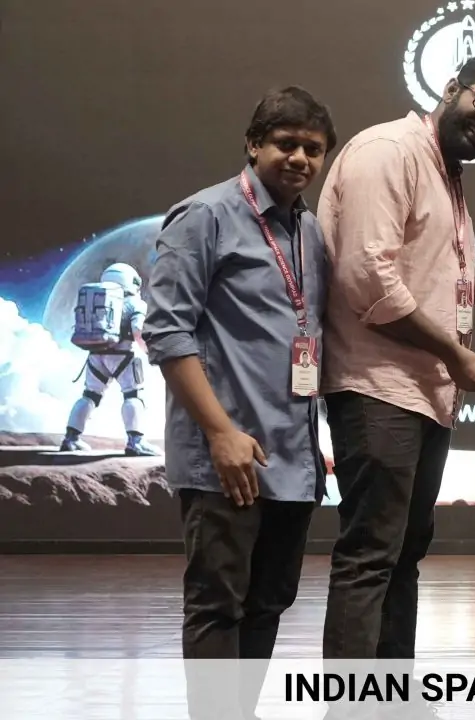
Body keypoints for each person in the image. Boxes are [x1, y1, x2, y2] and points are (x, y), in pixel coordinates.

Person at [318, 55, 475, 660]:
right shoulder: (390, 152)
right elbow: (369, 280)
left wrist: (472, 289)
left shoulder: (445, 170)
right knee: (371, 555)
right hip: (378, 387)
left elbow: (409, 262)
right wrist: (453, 352)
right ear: (451, 88)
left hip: (423, 394)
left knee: (403, 554)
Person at [141, 86, 337, 717]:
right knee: (217, 604)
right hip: (226, 457)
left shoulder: (310, 231)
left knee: (268, 601)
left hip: (292, 458)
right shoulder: (205, 216)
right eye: (286, 143)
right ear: (254, 145)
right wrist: (220, 433)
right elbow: (167, 332)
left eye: (313, 149)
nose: (300, 158)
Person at [62, 262, 160, 456]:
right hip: (123, 356)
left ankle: (71, 439)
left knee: (90, 396)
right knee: (133, 396)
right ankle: (136, 442)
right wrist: (150, 351)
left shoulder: (97, 299)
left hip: (95, 355)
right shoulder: (136, 304)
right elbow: (138, 330)